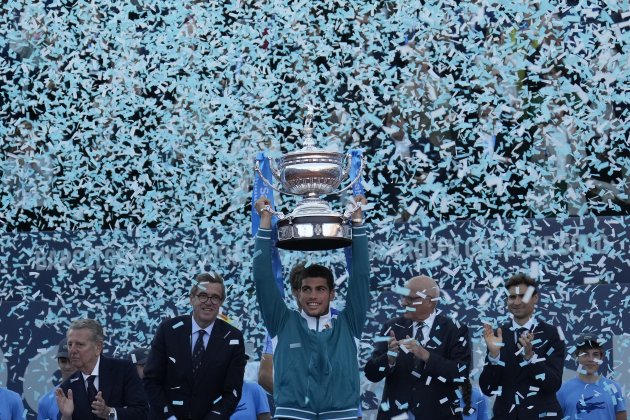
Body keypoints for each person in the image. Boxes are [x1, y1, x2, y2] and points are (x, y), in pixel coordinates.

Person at [253, 195, 369, 419]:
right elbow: (262, 278)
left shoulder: (348, 323)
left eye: (320, 289)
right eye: (306, 289)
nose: (313, 296)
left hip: (342, 415)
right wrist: (265, 221)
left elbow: (361, 275)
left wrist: (357, 221)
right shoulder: (282, 322)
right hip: (291, 415)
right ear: (297, 293)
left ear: (332, 293)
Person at [364, 275, 471, 419]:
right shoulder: (392, 327)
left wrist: (426, 356)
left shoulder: (455, 329)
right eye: (403, 297)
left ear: (429, 301)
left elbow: (461, 375)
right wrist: (388, 359)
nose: (403, 303)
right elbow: (371, 374)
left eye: (411, 298)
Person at [143, 272, 246, 419]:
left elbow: (232, 392)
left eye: (215, 297)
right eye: (203, 295)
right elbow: (151, 380)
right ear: (191, 299)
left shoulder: (233, 337)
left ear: (221, 302)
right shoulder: (168, 330)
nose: (209, 302)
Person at [479, 274, 565, 419]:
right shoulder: (497, 335)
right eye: (512, 297)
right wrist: (494, 357)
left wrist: (530, 358)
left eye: (523, 296)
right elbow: (488, 389)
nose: (517, 302)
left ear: (535, 298)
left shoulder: (552, 334)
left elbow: (554, 384)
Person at [55, 318, 148, 420]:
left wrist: (109, 413)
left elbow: (142, 413)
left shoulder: (124, 370)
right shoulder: (67, 387)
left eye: (80, 344)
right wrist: (67, 416)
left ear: (98, 347)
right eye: (70, 344)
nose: (72, 350)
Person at [557, 335, 627, 420]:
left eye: (595, 354)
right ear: (576, 357)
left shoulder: (615, 388)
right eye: (585, 354)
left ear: (601, 358)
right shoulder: (562, 390)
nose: (591, 359)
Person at [37, 338, 77, 420]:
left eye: (72, 360)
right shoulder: (45, 402)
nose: (68, 366)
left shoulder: (94, 395)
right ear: (58, 362)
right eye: (63, 361)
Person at [231, 348, 271, 420]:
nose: (242, 365)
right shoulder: (212, 392)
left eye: (243, 362)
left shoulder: (254, 389)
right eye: (236, 361)